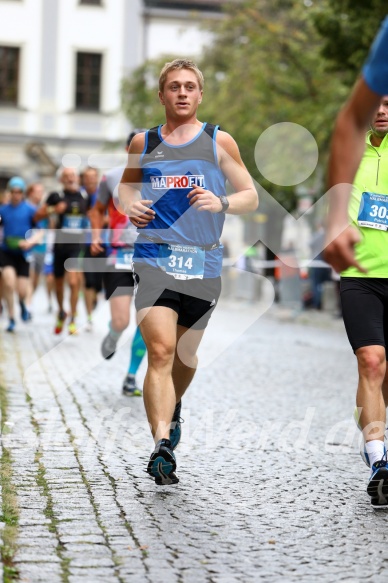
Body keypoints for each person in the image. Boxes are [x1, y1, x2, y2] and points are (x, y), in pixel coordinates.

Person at [119, 58, 258, 485]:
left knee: (184, 355)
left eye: (190, 86)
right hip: (154, 258)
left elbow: (250, 195)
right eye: (174, 86)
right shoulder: (143, 142)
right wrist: (130, 205)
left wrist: (222, 203)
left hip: (202, 261)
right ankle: (162, 445)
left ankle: (173, 404)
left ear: (199, 95)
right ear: (162, 95)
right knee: (160, 351)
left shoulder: (219, 142)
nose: (182, 93)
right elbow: (126, 186)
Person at [325, 17, 388, 508]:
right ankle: (377, 460)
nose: (383, 109)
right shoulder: (350, 154)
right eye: (378, 101)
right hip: (360, 275)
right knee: (371, 360)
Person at [90, 130, 147, 396]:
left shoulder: (160, 178)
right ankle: (113, 335)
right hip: (118, 255)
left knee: (147, 321)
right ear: (128, 149)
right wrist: (96, 235)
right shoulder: (111, 177)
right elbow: (97, 209)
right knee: (122, 320)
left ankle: (131, 376)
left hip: (151, 255)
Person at [36, 167, 91, 335]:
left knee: (74, 282)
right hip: (59, 246)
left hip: (76, 246)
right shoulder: (56, 196)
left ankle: (73, 318)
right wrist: (53, 210)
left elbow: (91, 214)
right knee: (58, 284)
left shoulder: (84, 196)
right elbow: (38, 216)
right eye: (66, 176)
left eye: (72, 175)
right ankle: (61, 312)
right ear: (61, 179)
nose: (70, 178)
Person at [0, 177, 41, 331]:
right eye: (13, 191)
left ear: (23, 193)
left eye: (19, 192)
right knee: (9, 283)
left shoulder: (30, 209)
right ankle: (11, 318)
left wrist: (30, 242)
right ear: (9, 192)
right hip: (6, 252)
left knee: (22, 290)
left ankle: (23, 304)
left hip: (23, 253)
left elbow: (39, 232)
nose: (16, 194)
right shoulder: (3, 210)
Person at [80, 167, 104, 331]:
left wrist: (97, 217)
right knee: (88, 280)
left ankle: (94, 298)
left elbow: (110, 217)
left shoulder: (103, 195)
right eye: (87, 178)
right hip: (83, 243)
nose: (90, 180)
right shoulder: (79, 195)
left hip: (102, 242)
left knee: (97, 282)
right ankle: (89, 316)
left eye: (93, 177)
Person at [26, 182, 55, 313]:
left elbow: (51, 226)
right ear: (30, 193)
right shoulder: (26, 208)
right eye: (37, 191)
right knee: (30, 277)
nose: (40, 194)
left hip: (42, 248)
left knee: (36, 280)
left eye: (41, 192)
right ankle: (28, 304)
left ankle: (29, 300)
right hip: (28, 247)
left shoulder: (44, 209)